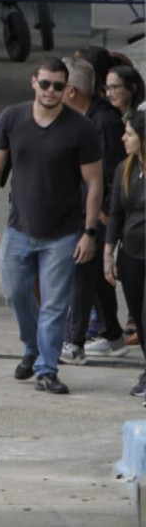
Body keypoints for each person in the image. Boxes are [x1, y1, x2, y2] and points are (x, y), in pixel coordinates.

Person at [0, 57, 104, 395]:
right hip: (19, 228)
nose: (51, 91)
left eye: (59, 86)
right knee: (15, 293)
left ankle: (47, 369)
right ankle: (33, 347)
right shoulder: (11, 118)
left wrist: (89, 231)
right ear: (33, 82)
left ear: (68, 89)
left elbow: (94, 184)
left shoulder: (81, 128)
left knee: (54, 304)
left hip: (63, 234)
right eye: (45, 83)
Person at [59, 58, 128, 364]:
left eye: (57, 86)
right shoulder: (87, 118)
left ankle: (74, 342)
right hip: (88, 208)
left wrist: (106, 210)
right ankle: (112, 333)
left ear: (71, 90)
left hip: (98, 212)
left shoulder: (104, 122)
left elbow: (113, 169)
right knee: (96, 274)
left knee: (83, 268)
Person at [104, 111, 146, 396]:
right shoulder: (126, 169)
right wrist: (108, 251)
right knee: (138, 320)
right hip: (131, 254)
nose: (123, 138)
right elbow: (116, 214)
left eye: (129, 134)